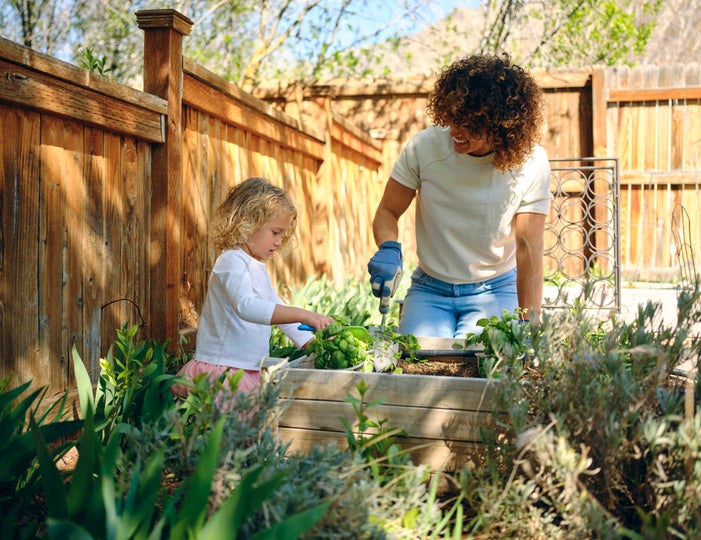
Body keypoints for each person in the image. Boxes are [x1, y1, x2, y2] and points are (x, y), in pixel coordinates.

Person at [368, 54, 552, 339]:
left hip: (495, 288)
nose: (457, 131)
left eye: (472, 125)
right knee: (417, 362)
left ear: (503, 127)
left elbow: (528, 246)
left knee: (485, 367)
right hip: (430, 287)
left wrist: (529, 321)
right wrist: (389, 247)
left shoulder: (531, 163)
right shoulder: (425, 148)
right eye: (454, 118)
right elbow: (387, 211)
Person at [174, 177, 334, 398]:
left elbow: (273, 307)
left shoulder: (256, 266)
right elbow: (246, 306)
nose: (279, 241)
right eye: (275, 232)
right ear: (245, 223)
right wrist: (304, 315)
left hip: (248, 370)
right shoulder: (231, 261)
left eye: (282, 234)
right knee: (229, 430)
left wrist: (310, 342)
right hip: (224, 371)